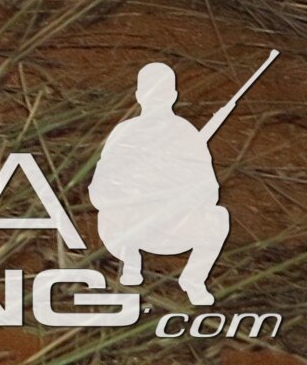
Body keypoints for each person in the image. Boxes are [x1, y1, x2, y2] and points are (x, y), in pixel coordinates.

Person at [92, 61, 233, 306]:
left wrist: (179, 195)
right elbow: (99, 190)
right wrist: (134, 194)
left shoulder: (186, 134)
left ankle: (193, 280)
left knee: (218, 217)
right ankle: (130, 261)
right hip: (131, 228)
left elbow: (210, 190)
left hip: (173, 228)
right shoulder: (125, 132)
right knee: (107, 214)